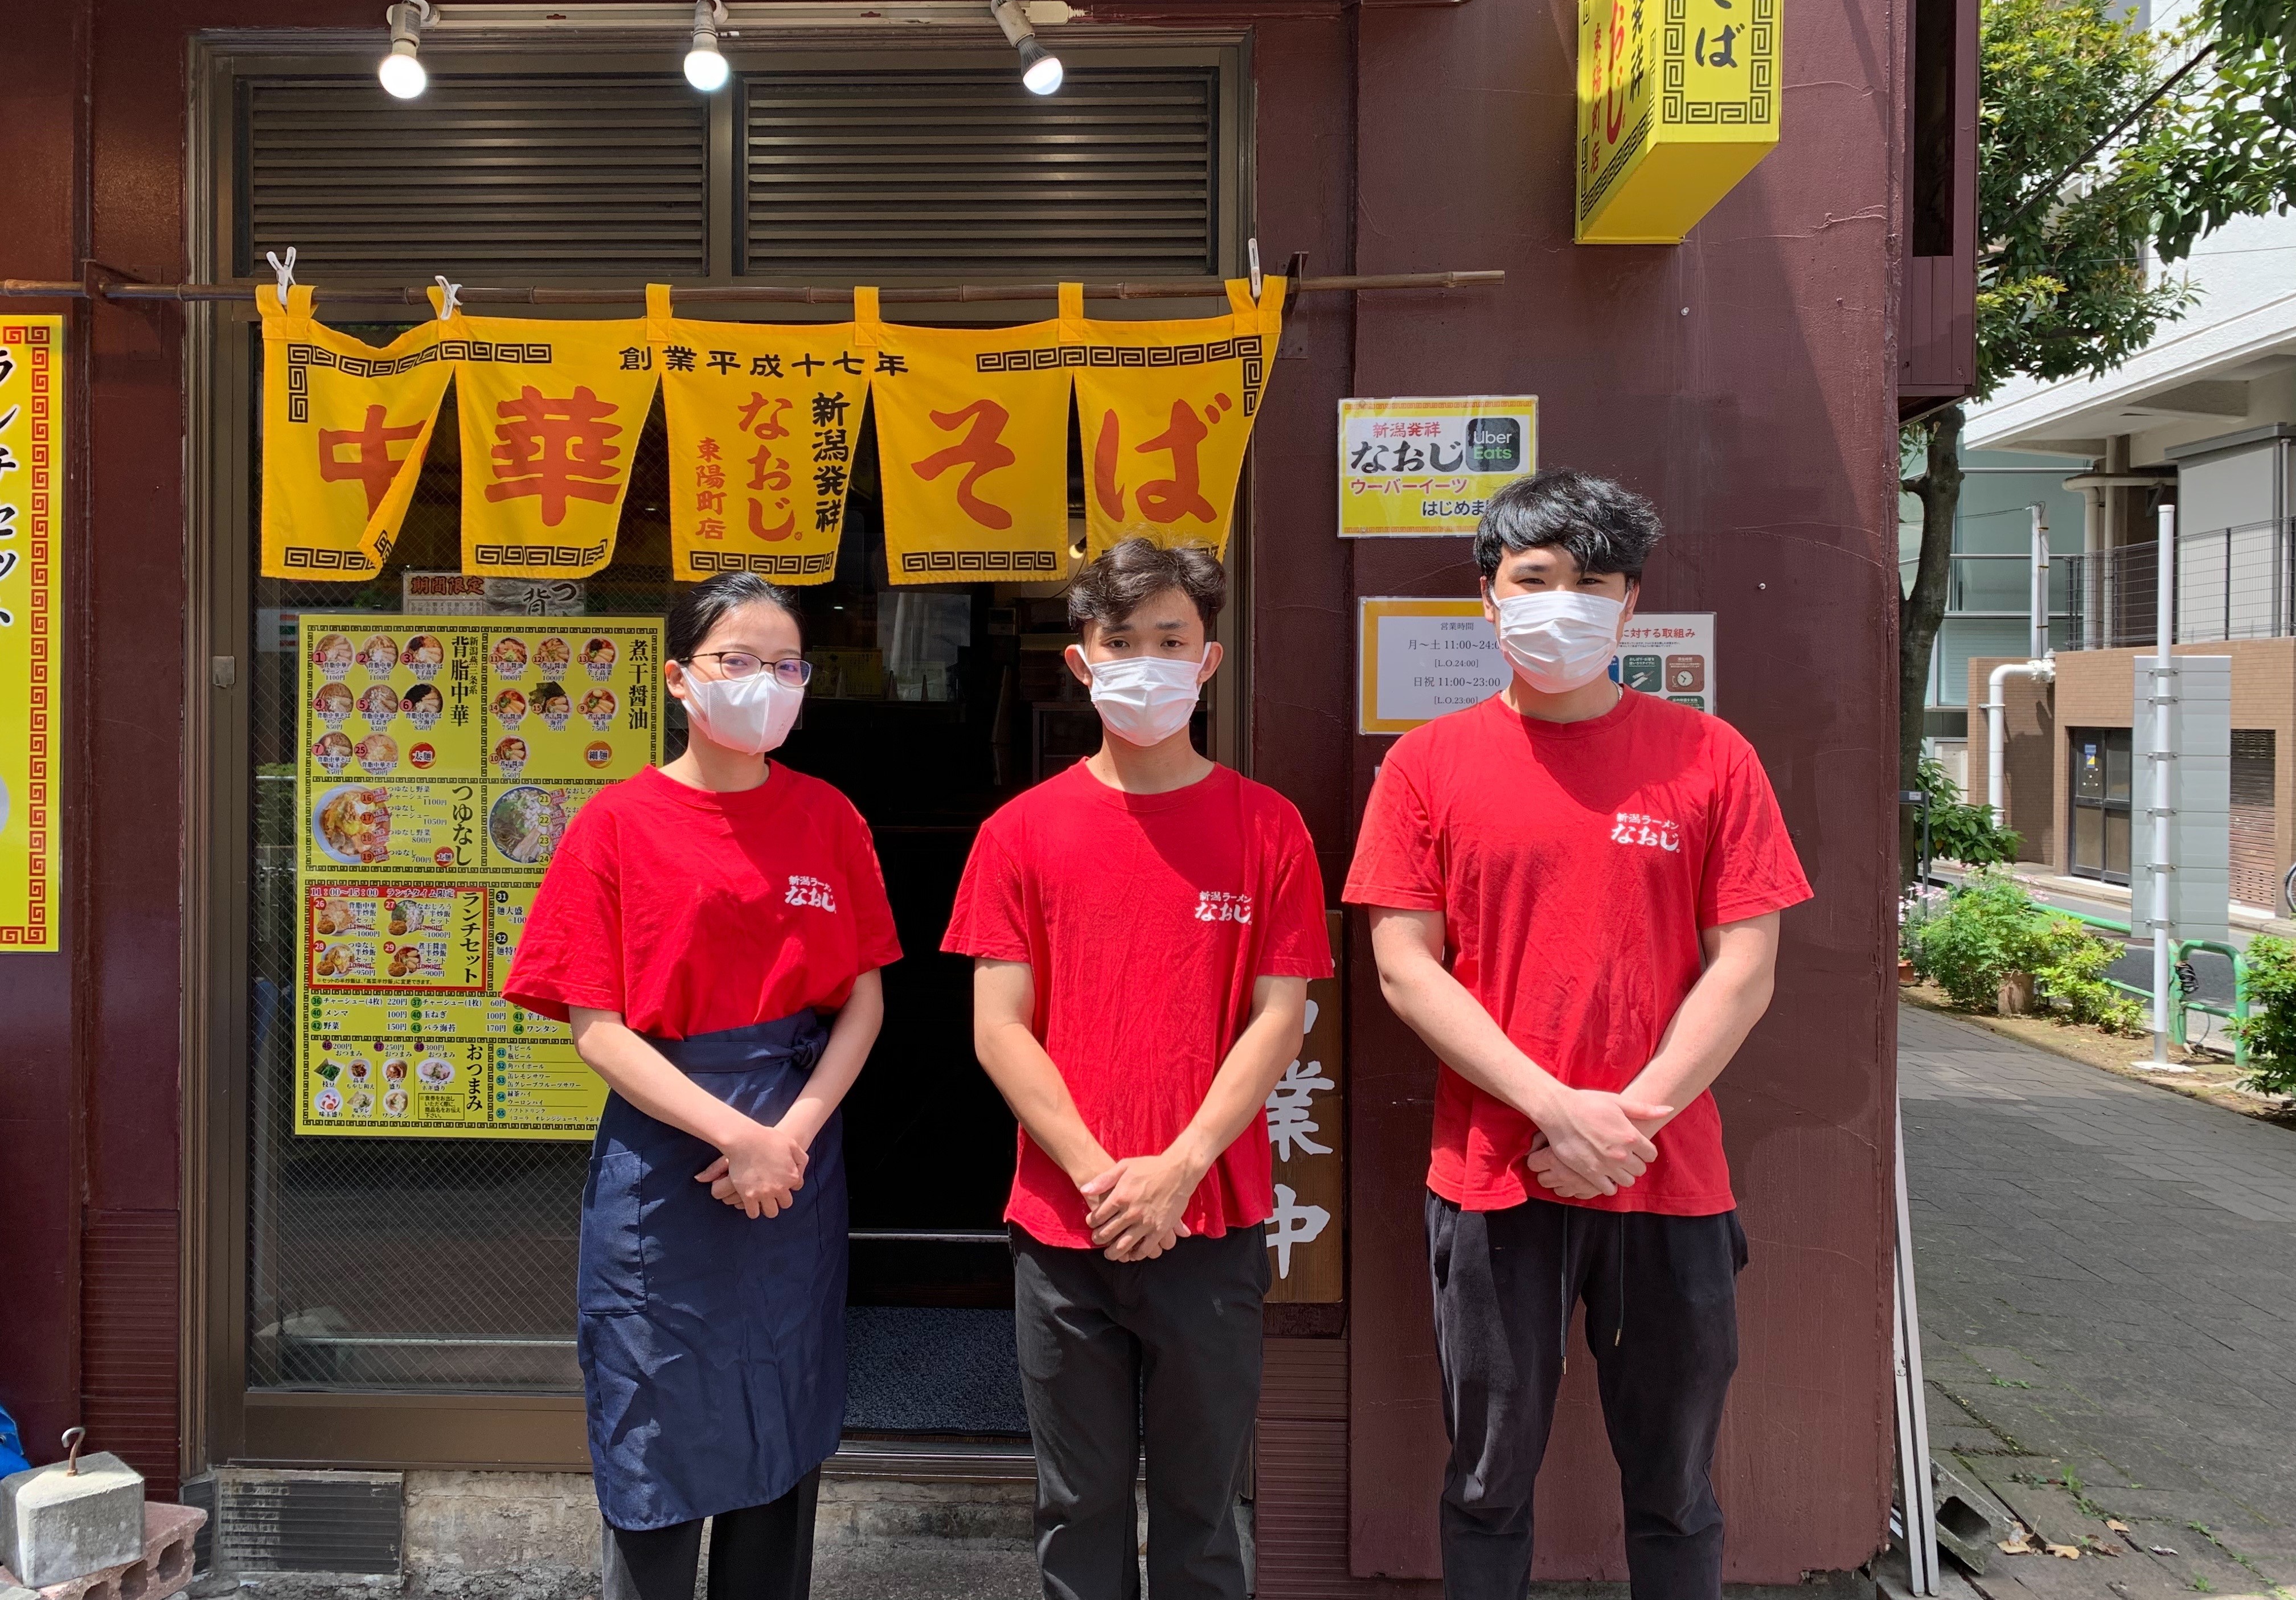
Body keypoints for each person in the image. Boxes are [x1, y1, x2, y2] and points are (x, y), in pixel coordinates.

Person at [1343, 470, 1812, 1600]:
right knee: (1488, 1479)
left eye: (1590, 583)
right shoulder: (1426, 765)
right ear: (1491, 602)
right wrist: (1557, 1112)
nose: (1562, 604)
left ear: (1630, 604)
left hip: (1670, 1180)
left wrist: (1623, 1124)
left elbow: (1743, 971)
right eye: (1535, 579)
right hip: (1496, 1178)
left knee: (1676, 1484)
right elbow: (1407, 966)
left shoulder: (1713, 759)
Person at [944, 538, 1332, 1600]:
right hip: (1062, 1229)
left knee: (1207, 1511)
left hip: (1211, 1222)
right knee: (1079, 1507)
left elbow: (1278, 1017)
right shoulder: (1019, 833)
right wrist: (1099, 1172)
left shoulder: (1270, 829)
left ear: (1209, 661)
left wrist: (1178, 1169)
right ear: (1082, 660)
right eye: (1123, 642)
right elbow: (999, 1027)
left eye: (1173, 640)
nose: (1147, 663)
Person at [503, 570, 901, 1600]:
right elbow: (597, 1027)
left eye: (785, 665)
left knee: (781, 1410)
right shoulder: (617, 824)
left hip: (795, 1156)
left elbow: (862, 1001)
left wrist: (793, 1134)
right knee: (657, 1425)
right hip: (666, 1152)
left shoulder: (830, 818)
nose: (764, 683)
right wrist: (741, 1135)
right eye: (738, 662)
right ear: (681, 679)